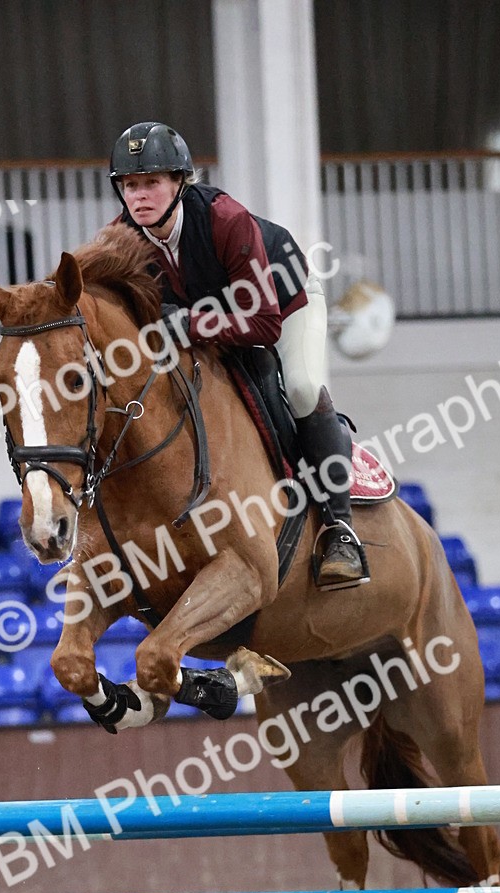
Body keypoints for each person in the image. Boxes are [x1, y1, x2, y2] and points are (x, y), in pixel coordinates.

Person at [108, 120, 367, 589]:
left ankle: (339, 528)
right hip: (214, 322)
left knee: (304, 389)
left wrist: (188, 324)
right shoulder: (121, 238)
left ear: (179, 183)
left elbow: (264, 324)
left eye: (151, 182)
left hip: (284, 302)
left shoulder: (225, 219)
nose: (139, 196)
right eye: (129, 185)